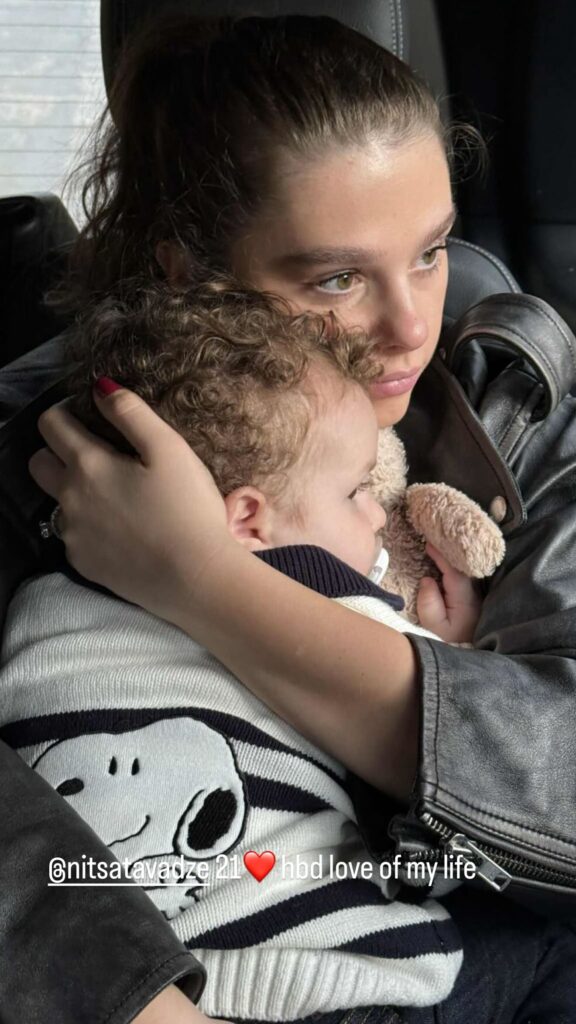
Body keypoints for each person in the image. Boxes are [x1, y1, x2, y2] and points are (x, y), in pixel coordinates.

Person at [2, 11, 576, 1024]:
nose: (411, 326)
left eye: (432, 251)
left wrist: (201, 581)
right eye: (337, 278)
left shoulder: (517, 404)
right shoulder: (39, 454)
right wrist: (136, 1001)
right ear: (190, 275)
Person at [2, 283, 476, 1022]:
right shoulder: (321, 595)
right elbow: (457, 771)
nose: (378, 514)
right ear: (249, 519)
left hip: (137, 972)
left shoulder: (36, 605)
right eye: (357, 490)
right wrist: (457, 646)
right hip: (334, 973)